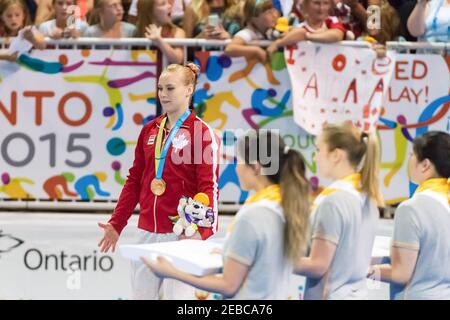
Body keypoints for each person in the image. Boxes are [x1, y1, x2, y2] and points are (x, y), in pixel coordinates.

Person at [98, 63, 221, 300]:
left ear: (189, 90)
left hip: (182, 234)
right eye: (160, 88)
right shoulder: (149, 130)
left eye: (170, 88)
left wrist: (203, 232)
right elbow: (134, 180)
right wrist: (117, 223)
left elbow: (209, 187)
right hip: (147, 232)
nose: (163, 94)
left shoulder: (201, 133)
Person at [143, 130, 311, 299]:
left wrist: (173, 272)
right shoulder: (282, 206)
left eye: (239, 161)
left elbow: (229, 285)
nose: (235, 168)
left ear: (256, 166)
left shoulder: (254, 215)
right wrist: (229, 251)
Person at [296, 123, 383, 299]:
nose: (315, 158)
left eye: (318, 150)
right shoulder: (369, 198)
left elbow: (317, 266)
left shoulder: (334, 201)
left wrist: (270, 257)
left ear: (336, 155)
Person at [369, 131, 450, 299]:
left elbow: (400, 274)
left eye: (412, 155)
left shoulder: (412, 208)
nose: (409, 160)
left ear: (425, 165)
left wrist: (361, 269)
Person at [266, 0, 347, 56]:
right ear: (306, 5)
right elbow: (300, 32)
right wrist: (278, 44)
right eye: (316, 3)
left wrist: (307, 36)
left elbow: (337, 35)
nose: (321, 8)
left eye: (326, 3)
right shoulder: (300, 27)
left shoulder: (333, 21)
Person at [135, 0, 186, 64]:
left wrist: (159, 41)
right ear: (149, 11)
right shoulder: (136, 32)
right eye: (163, 4)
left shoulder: (177, 32)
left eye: (168, 3)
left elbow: (178, 60)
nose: (170, 6)